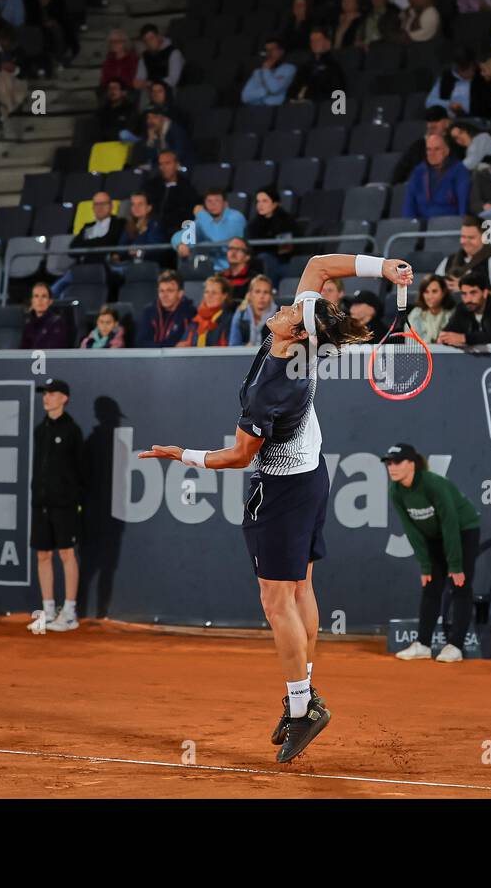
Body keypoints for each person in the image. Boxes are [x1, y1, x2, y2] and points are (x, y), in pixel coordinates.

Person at [138, 251, 413, 762]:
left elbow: (241, 455)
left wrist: (181, 455)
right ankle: (303, 694)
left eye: (290, 311)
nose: (284, 307)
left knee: (275, 601)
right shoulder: (301, 338)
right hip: (312, 477)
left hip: (283, 492)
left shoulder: (273, 387)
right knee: (302, 586)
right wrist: (384, 268)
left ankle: (303, 704)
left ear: (297, 330)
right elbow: (318, 266)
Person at [386, 443, 482, 664]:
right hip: (434, 536)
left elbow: (450, 524)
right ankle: (423, 645)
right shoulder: (396, 491)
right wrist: (425, 565)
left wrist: (455, 566)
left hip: (463, 530)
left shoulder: (433, 484)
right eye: (389, 463)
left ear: (411, 464)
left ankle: (455, 646)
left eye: (397, 462)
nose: (392, 467)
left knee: (460, 585)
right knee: (431, 586)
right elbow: (411, 530)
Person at [27, 378, 85, 633]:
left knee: (66, 554)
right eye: (45, 393)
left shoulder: (72, 431)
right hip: (41, 503)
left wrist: (74, 499)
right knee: (42, 555)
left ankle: (69, 611)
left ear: (64, 398)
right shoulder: (40, 430)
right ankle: (48, 611)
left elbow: (81, 471)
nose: (46, 397)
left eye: (51, 393)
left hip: (65, 504)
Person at [438, 272, 491, 346]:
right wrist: (444, 338)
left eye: (473, 293)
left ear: (485, 293)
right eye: (464, 294)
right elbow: (449, 330)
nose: (468, 299)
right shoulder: (462, 309)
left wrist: (465, 338)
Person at [172, 187, 247, 272]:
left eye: (217, 201)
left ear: (225, 204)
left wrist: (201, 215)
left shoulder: (236, 217)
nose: (213, 204)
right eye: (209, 201)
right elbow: (180, 235)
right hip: (209, 269)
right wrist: (180, 243)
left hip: (231, 269)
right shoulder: (204, 220)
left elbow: (218, 239)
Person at [436, 214, 491, 297]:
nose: (465, 241)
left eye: (471, 238)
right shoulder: (448, 260)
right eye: (463, 237)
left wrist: (466, 289)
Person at [402, 132, 471, 219]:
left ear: (446, 151)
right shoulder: (418, 172)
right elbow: (408, 206)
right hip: (421, 226)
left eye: (437, 149)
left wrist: (460, 225)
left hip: (448, 224)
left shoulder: (459, 170)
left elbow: (463, 205)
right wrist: (409, 226)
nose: (432, 154)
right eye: (429, 149)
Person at [391, 106, 461, 184]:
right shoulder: (417, 146)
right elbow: (399, 173)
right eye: (429, 120)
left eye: (436, 120)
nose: (431, 125)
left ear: (447, 123)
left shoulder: (456, 144)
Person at [144, 150, 201, 240]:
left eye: (167, 163)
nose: (163, 167)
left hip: (177, 231)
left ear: (176, 164)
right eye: (161, 164)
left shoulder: (187, 188)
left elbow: (189, 217)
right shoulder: (152, 186)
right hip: (152, 231)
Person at [26, 0, 78, 71]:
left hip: (57, 24)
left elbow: (63, 14)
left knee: (57, 29)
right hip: (39, 26)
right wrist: (43, 22)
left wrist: (53, 20)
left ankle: (59, 58)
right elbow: (30, 18)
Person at [425, 52, 491, 119]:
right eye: (471, 69)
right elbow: (429, 102)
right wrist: (449, 104)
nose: (473, 72)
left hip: (477, 119)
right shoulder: (445, 80)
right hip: (451, 120)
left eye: (474, 68)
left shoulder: (482, 77)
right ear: (460, 69)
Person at [287, 26, 345, 103]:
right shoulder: (305, 66)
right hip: (298, 106)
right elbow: (292, 90)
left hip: (319, 106)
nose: (314, 43)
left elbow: (336, 91)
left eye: (318, 40)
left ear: (327, 42)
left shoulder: (334, 65)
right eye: (312, 41)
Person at [176, 275, 235, 347]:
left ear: (224, 296)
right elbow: (182, 344)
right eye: (206, 292)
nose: (209, 296)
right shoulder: (195, 319)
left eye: (214, 293)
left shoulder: (229, 320)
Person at [241, 39, 297, 107]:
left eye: (273, 49)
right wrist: (266, 91)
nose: (269, 53)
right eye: (267, 50)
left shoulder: (288, 68)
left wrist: (266, 70)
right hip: (255, 109)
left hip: (275, 110)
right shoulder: (258, 72)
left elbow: (274, 89)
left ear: (281, 52)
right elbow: (245, 97)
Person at [20, 282, 74, 349]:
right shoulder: (28, 325)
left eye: (44, 296)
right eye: (36, 296)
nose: (40, 300)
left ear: (50, 301)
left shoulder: (58, 323)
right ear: (32, 301)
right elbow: (22, 353)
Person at [134, 23, 186, 89]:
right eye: (146, 40)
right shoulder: (144, 57)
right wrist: (139, 83)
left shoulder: (174, 53)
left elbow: (173, 80)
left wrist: (151, 83)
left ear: (159, 36)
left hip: (171, 90)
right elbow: (139, 78)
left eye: (151, 38)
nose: (149, 42)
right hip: (151, 91)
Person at [230, 274, 276, 346]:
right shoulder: (240, 315)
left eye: (266, 292)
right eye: (257, 292)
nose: (261, 296)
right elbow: (233, 345)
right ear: (250, 295)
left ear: (271, 296)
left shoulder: (279, 316)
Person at [408, 274, 455, 344]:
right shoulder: (415, 314)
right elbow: (410, 346)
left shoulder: (453, 313)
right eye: (426, 292)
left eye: (434, 291)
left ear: (443, 292)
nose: (430, 296)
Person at [220, 237, 265, 302]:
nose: (233, 252)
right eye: (231, 248)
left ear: (247, 257)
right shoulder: (219, 277)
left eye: (238, 249)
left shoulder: (255, 279)